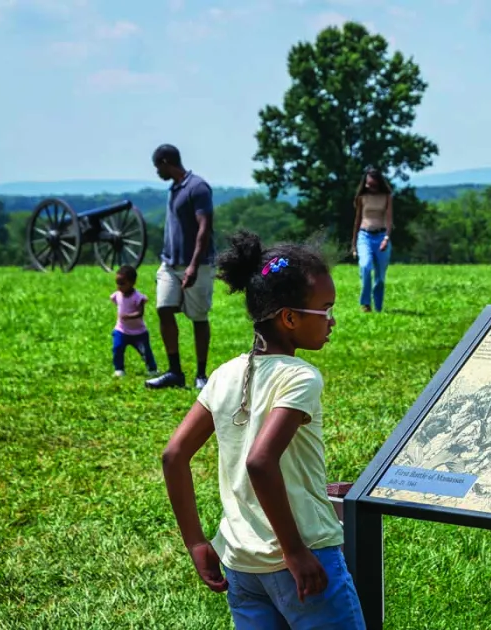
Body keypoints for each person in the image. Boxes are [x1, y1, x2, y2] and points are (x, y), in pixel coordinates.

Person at [161, 230, 365, 629]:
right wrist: (294, 551)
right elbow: (260, 462)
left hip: (240, 564)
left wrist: (197, 542)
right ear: (289, 317)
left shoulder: (223, 374)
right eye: (325, 309)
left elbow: (174, 455)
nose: (332, 320)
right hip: (303, 556)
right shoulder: (300, 376)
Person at [146, 144, 216, 390]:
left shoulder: (197, 187)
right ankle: (175, 371)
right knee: (163, 309)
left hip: (197, 264)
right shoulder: (174, 189)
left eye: (158, 167)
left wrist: (194, 266)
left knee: (198, 317)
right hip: (170, 263)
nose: (157, 172)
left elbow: (204, 227)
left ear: (166, 162)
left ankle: (200, 373)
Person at [350, 167, 393, 313]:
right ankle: (366, 303)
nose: (370, 187)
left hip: (381, 236)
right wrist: (354, 244)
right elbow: (357, 220)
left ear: (378, 183)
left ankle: (379, 307)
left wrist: (386, 238)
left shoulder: (387, 196)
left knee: (380, 277)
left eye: (373, 184)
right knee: (366, 266)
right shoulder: (362, 197)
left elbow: (389, 219)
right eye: (368, 184)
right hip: (364, 236)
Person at [110, 264, 158, 377]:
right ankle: (119, 369)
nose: (119, 286)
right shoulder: (117, 295)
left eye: (122, 283)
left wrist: (128, 316)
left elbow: (140, 313)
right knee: (117, 348)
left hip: (139, 332)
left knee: (145, 352)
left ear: (132, 282)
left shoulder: (138, 297)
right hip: (121, 330)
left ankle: (152, 369)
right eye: (117, 283)